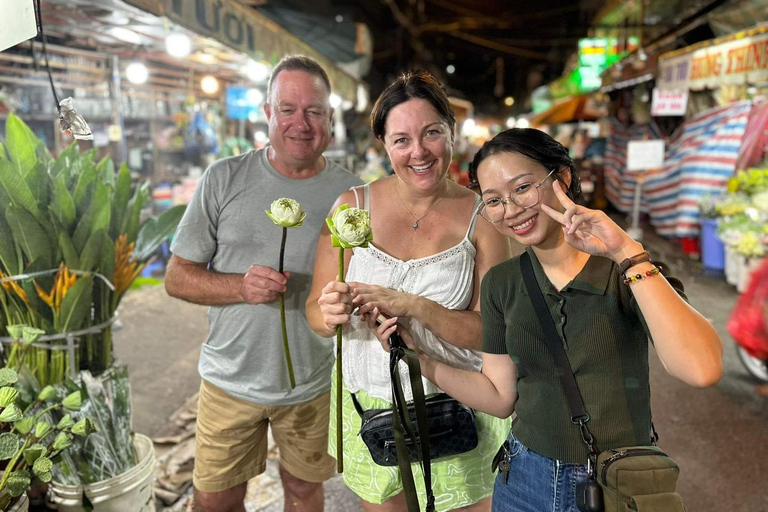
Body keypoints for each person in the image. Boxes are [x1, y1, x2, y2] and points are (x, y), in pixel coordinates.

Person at [373, 128, 723, 511]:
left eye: (523, 188)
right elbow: (499, 396)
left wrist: (625, 251)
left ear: (563, 177)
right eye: (494, 201)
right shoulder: (502, 283)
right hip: (523, 479)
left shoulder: (625, 270)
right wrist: (418, 359)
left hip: (614, 480)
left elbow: (701, 368)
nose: (511, 210)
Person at [306, 70, 513, 512]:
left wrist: (416, 307)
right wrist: (329, 314)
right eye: (401, 139)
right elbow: (315, 314)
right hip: (370, 408)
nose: (418, 152)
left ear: (451, 132)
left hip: (459, 407)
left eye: (431, 133)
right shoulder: (350, 208)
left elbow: (491, 332)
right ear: (383, 143)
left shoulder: (482, 217)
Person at [165, 55, 363, 512]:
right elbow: (177, 277)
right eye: (288, 109)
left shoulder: (353, 194)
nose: (301, 123)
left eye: (314, 111)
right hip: (230, 380)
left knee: (304, 491)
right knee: (214, 501)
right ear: (268, 113)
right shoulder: (224, 178)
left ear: (330, 118)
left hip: (314, 382)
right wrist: (240, 287)